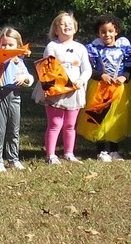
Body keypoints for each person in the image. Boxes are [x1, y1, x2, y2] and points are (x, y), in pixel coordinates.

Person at [33, 12, 92, 164]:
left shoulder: (80, 48)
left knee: (71, 125)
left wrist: (81, 80)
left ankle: (69, 152)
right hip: (56, 91)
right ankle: (51, 154)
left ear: (75, 27)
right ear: (56, 30)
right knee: (55, 123)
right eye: (62, 24)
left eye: (69, 23)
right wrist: (55, 86)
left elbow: (87, 69)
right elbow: (48, 68)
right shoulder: (52, 46)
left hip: (75, 91)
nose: (67, 26)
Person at [79, 14, 131, 162]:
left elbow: (130, 69)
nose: (107, 34)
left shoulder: (124, 48)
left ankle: (114, 150)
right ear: (98, 33)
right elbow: (90, 70)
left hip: (119, 89)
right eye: (103, 32)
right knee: (100, 115)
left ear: (116, 31)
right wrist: (101, 76)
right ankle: (101, 150)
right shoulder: (94, 49)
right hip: (100, 87)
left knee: (116, 118)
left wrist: (124, 77)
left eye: (110, 31)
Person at [0, 27, 34, 172]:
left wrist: (24, 78)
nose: (7, 48)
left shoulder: (18, 62)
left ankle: (13, 159)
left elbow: (30, 78)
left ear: (17, 47)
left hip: (14, 94)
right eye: (3, 45)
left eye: (10, 45)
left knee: (14, 127)